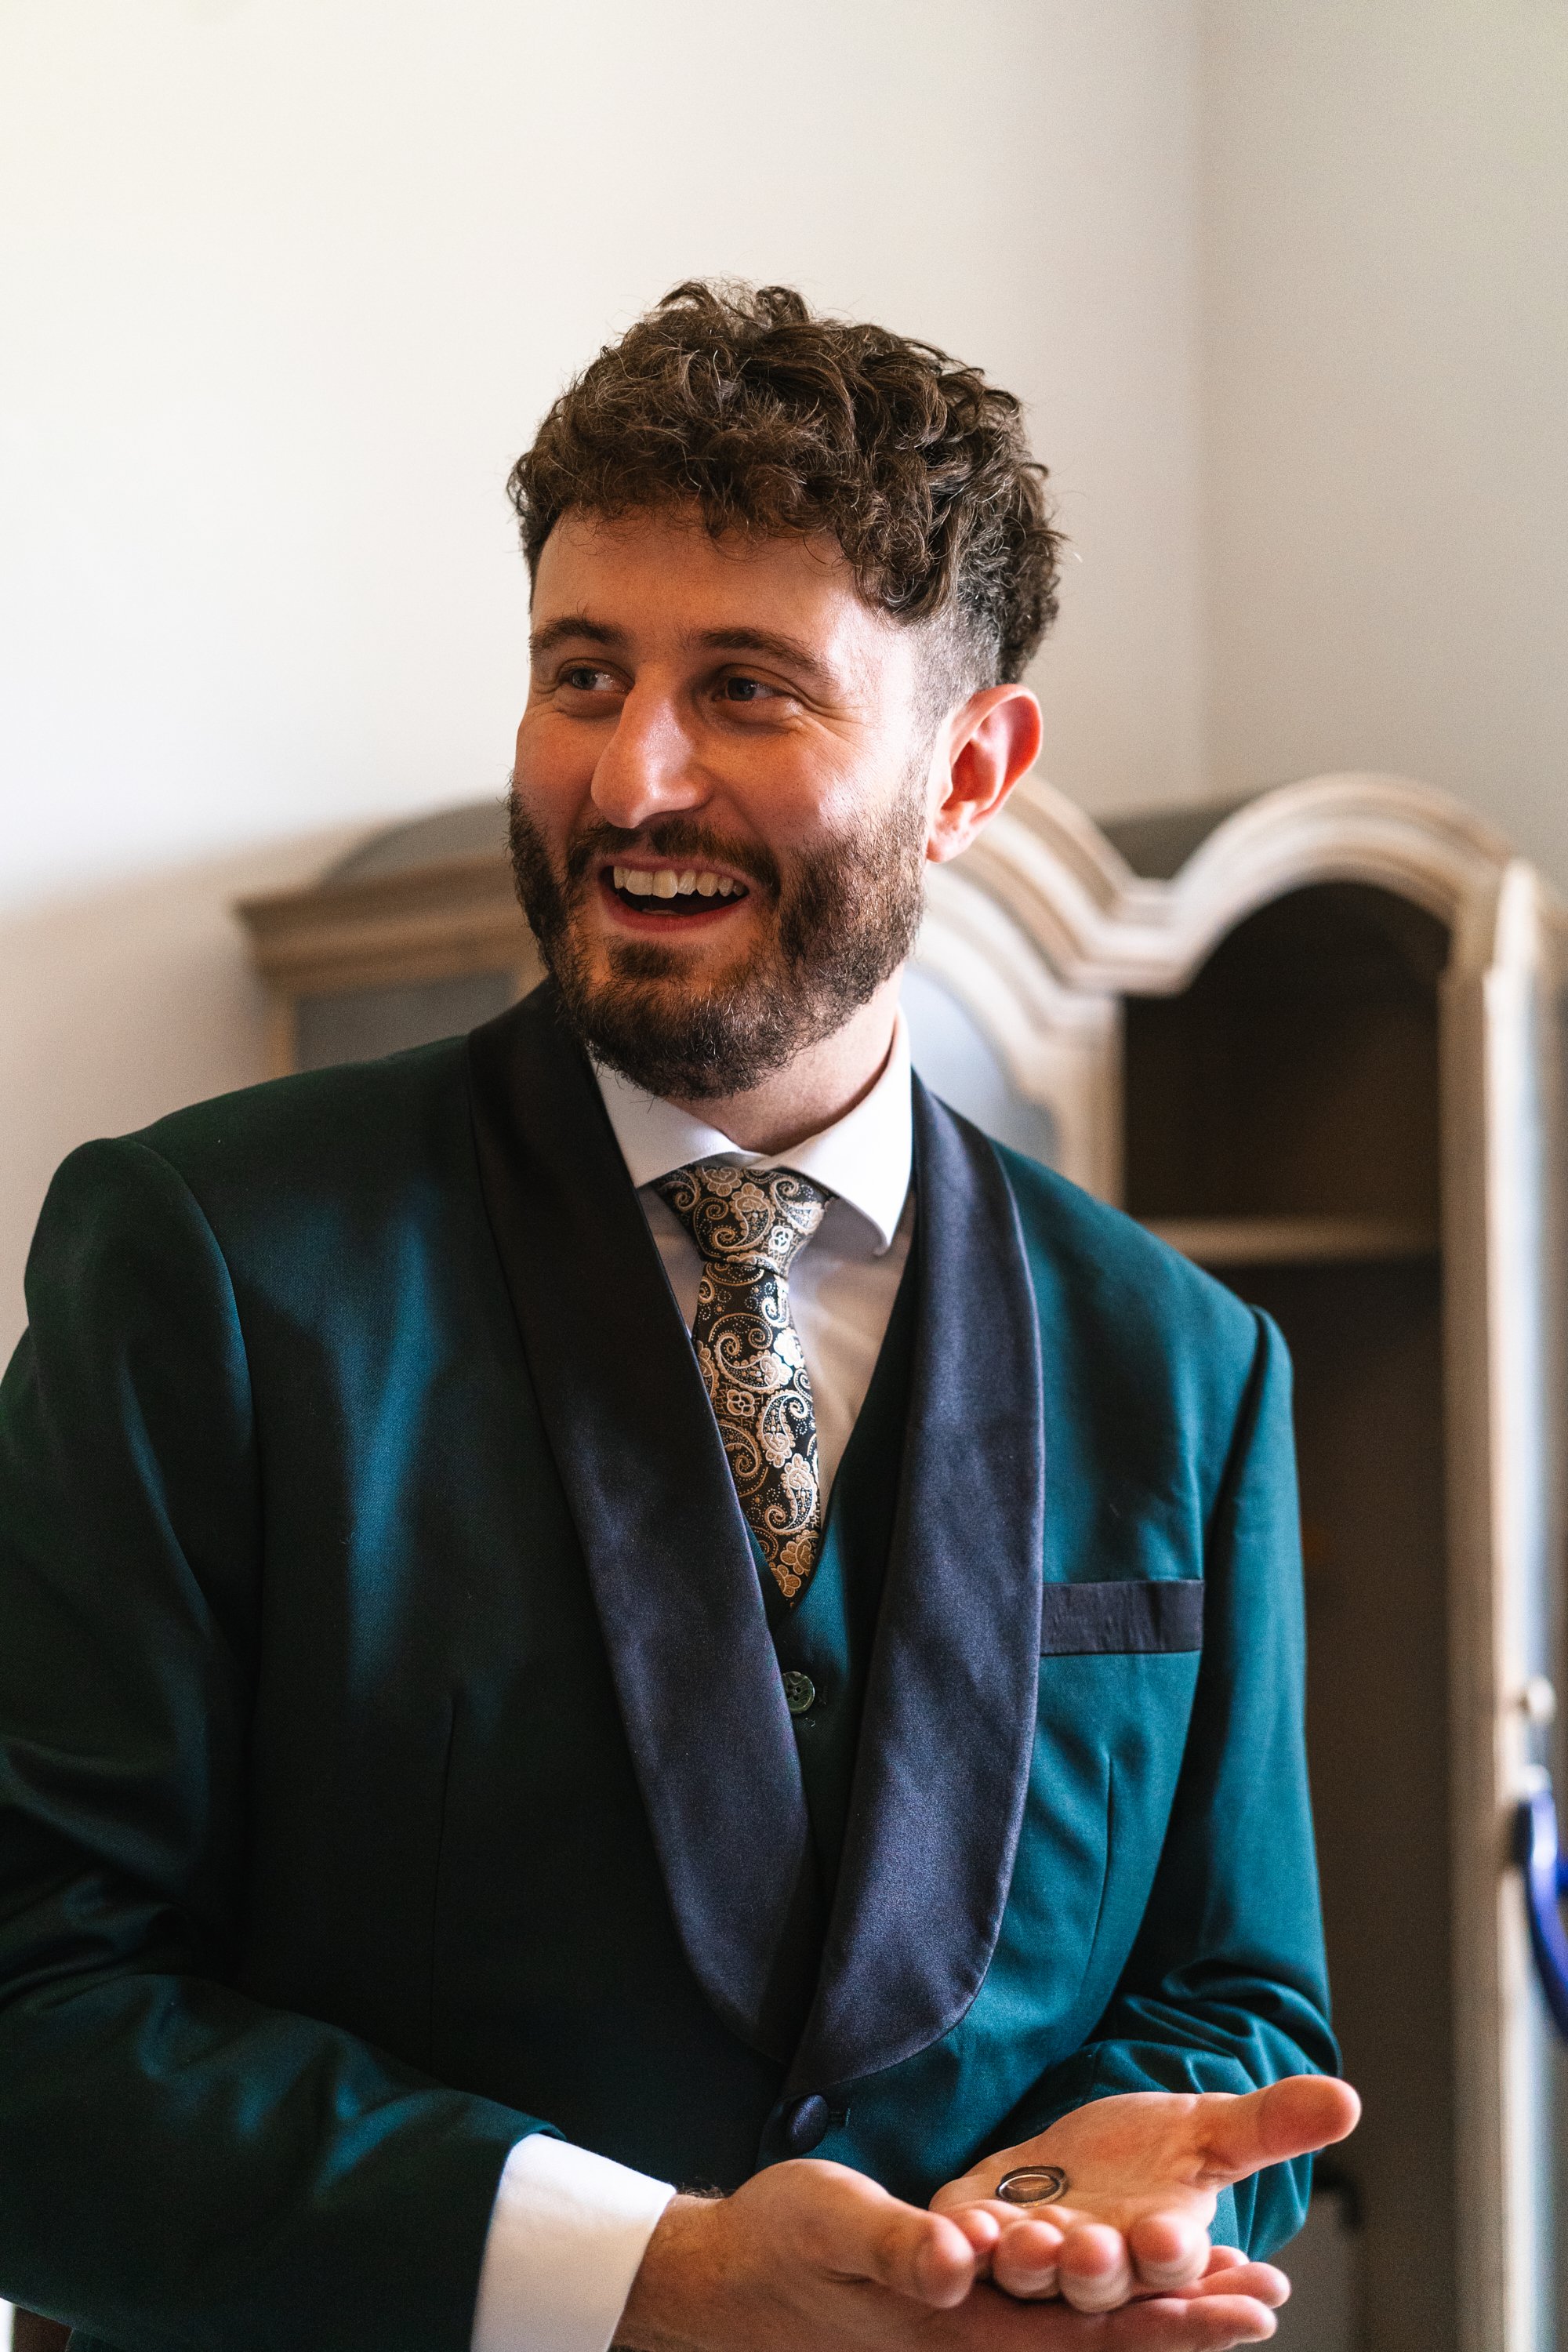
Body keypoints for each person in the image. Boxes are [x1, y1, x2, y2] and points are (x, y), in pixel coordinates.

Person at [0, 282, 1357, 2352]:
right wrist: (644, 2281)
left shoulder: (1183, 1363)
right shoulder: (203, 1262)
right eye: (580, 674)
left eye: (744, 690)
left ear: (971, 768)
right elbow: (35, 2013)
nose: (630, 781)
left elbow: (1238, 1993)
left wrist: (1053, 2217)